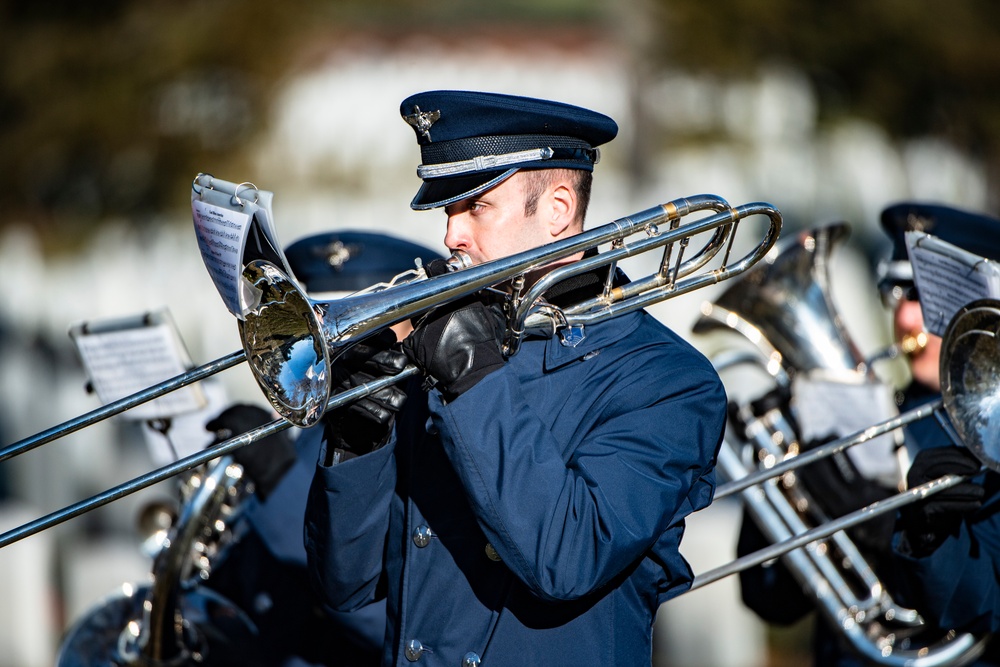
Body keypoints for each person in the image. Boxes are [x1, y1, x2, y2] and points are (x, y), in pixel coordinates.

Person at [304, 90, 728, 666]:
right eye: (449, 212)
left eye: (476, 207)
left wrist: (475, 377)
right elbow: (346, 584)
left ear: (556, 210)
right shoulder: (439, 356)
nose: (452, 235)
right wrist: (358, 442)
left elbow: (566, 560)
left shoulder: (668, 381)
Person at [202, 232, 443, 667]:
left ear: (415, 322)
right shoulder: (308, 422)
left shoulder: (421, 426)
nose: (333, 347)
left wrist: (278, 482)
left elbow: (387, 617)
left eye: (361, 324)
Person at [877, 202, 1000, 663]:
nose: (908, 319)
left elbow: (984, 605)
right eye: (896, 291)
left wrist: (924, 537)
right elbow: (769, 598)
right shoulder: (871, 415)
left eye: (925, 295)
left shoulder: (990, 435)